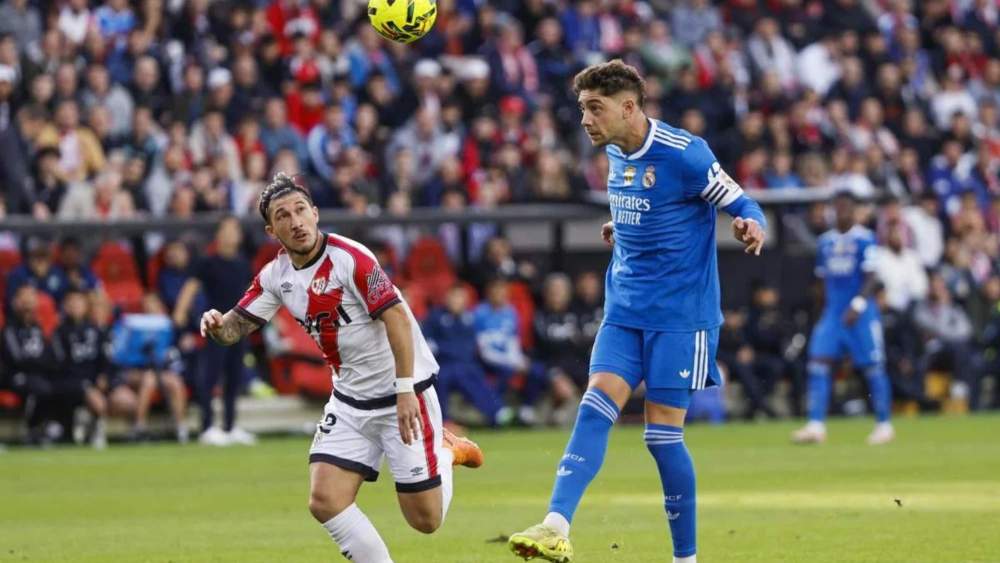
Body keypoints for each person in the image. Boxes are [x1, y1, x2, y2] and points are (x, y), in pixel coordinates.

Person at [508, 60, 766, 563]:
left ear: (629, 108)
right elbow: (648, 206)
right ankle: (556, 525)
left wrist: (751, 225)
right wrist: (620, 226)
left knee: (662, 437)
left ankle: (685, 559)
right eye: (583, 108)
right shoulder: (614, 152)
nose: (585, 119)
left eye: (594, 108)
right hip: (624, 308)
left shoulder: (685, 154)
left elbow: (741, 201)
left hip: (680, 318)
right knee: (595, 403)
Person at [198, 173, 483, 562]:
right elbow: (235, 328)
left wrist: (404, 390)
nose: (295, 221)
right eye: (283, 216)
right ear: (271, 230)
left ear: (315, 214)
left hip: (400, 392)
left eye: (301, 210)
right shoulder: (276, 276)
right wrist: (215, 325)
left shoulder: (350, 258)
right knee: (325, 499)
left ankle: (447, 450)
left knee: (425, 520)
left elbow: (397, 319)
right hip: (349, 399)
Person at [792, 190, 895, 446]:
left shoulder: (865, 239)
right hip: (833, 315)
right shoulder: (825, 242)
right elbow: (820, 280)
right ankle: (816, 425)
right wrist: (820, 312)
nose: (841, 213)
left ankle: (884, 424)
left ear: (854, 211)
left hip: (860, 315)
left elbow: (872, 277)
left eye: (846, 208)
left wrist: (858, 305)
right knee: (817, 364)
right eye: (837, 208)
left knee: (872, 367)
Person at [172, 216, 256, 446]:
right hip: (215, 326)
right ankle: (207, 426)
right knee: (210, 377)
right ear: (218, 235)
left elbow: (251, 292)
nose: (232, 235)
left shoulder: (242, 263)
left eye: (235, 230)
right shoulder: (207, 262)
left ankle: (230, 426)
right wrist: (179, 314)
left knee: (234, 377)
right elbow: (191, 287)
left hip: (239, 327)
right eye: (227, 230)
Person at [422, 284, 510, 428]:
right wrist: (452, 350)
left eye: (460, 298)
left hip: (466, 363)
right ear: (447, 298)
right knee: (448, 376)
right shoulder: (435, 318)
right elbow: (429, 345)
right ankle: (443, 421)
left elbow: (472, 346)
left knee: (476, 374)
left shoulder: (469, 319)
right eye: (454, 297)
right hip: (442, 364)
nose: (457, 301)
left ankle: (495, 412)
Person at [52, 289, 110, 448]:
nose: (75, 306)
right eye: (71, 302)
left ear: (86, 305)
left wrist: (103, 376)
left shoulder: (95, 330)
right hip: (70, 381)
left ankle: (89, 422)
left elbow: (103, 358)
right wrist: (85, 384)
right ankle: (96, 431)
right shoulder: (60, 332)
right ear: (65, 306)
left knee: (124, 400)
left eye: (78, 302)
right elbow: (60, 364)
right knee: (97, 401)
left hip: (93, 381)